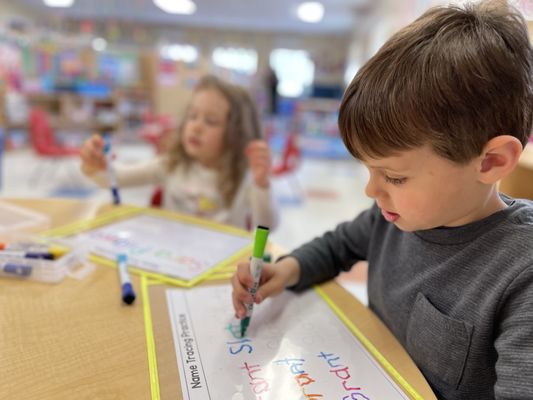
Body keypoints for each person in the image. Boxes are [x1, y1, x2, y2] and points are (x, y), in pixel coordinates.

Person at [231, 1, 533, 399]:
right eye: (368, 170)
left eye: (393, 176)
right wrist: (285, 271)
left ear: (491, 161)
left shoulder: (521, 271)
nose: (372, 191)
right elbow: (337, 246)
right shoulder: (393, 215)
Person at [80, 75, 277, 230]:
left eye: (211, 121)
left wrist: (261, 185)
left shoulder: (245, 177)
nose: (196, 127)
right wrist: (96, 165)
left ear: (237, 133)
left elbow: (267, 227)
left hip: (223, 273)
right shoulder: (171, 164)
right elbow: (114, 179)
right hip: (172, 265)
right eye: (192, 116)